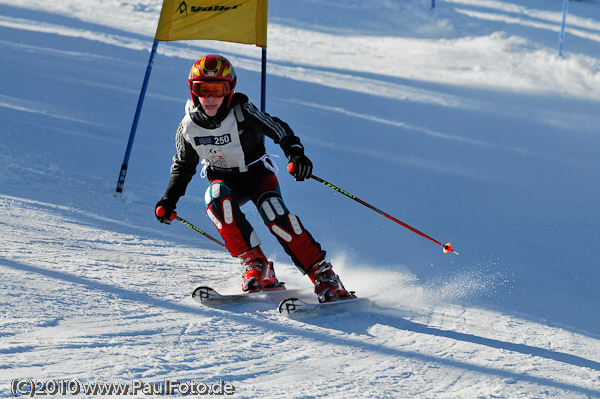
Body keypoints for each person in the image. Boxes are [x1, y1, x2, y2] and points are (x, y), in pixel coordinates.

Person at [155, 54, 354, 303]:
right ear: (193, 91)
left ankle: (323, 275)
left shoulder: (241, 112)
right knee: (215, 198)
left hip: (257, 176)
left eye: (218, 89)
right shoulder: (188, 127)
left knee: (274, 213)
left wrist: (296, 154)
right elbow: (183, 166)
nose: (210, 98)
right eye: (203, 90)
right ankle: (257, 265)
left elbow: (277, 128)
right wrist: (168, 200)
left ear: (230, 90)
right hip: (226, 182)